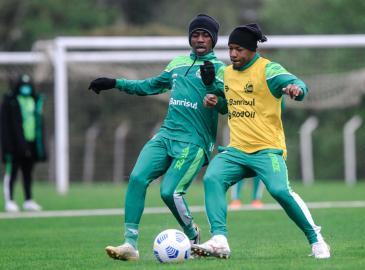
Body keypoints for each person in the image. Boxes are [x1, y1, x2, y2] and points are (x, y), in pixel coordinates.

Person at [88, 14, 227, 261]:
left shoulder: (220, 70)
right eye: (196, 34)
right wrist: (114, 82)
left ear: (214, 39)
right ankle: (130, 243)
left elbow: (228, 106)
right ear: (189, 37)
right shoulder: (176, 64)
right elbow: (149, 85)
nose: (200, 39)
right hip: (166, 135)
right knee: (137, 178)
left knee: (169, 192)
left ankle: (192, 236)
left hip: (194, 142)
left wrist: (213, 87)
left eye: (205, 35)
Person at [192, 23, 331, 259]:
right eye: (230, 49)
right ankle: (219, 240)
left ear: (252, 50)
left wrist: (296, 89)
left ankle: (316, 239)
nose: (233, 54)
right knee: (213, 178)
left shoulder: (269, 70)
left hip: (267, 150)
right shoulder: (226, 73)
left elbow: (300, 84)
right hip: (236, 150)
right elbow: (229, 104)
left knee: (279, 190)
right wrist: (214, 97)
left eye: (238, 49)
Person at [1, 74, 46, 212]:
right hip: (14, 145)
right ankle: (10, 201)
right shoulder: (10, 101)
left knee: (28, 173)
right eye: (23, 86)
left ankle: (28, 200)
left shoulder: (34, 100)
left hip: (30, 143)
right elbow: (5, 126)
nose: (25, 88)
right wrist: (7, 146)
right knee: (12, 173)